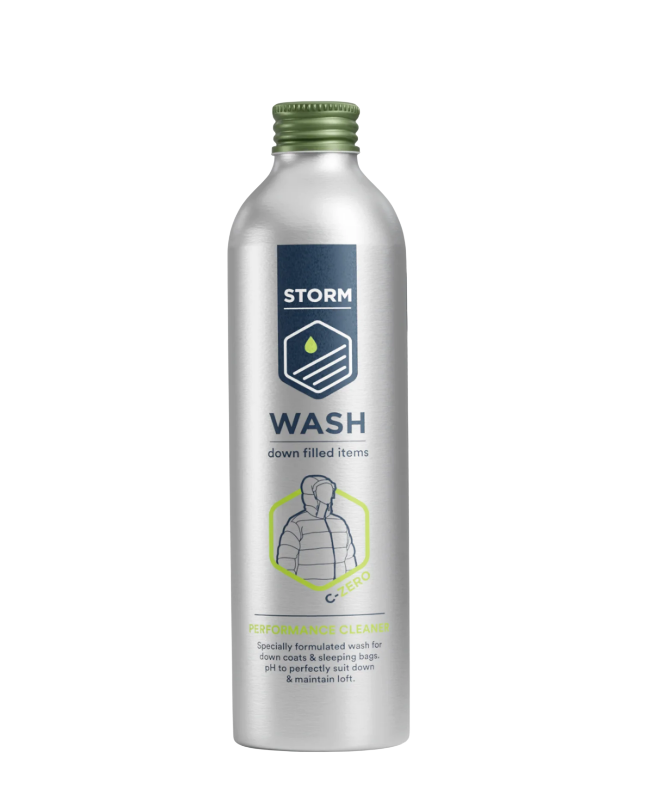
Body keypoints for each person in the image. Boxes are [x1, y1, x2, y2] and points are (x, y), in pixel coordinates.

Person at [277, 475, 357, 582]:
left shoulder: (340, 523)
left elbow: (349, 559)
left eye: (329, 490)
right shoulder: (297, 524)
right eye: (322, 491)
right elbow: (286, 561)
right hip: (307, 587)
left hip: (340, 588)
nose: (328, 495)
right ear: (311, 494)